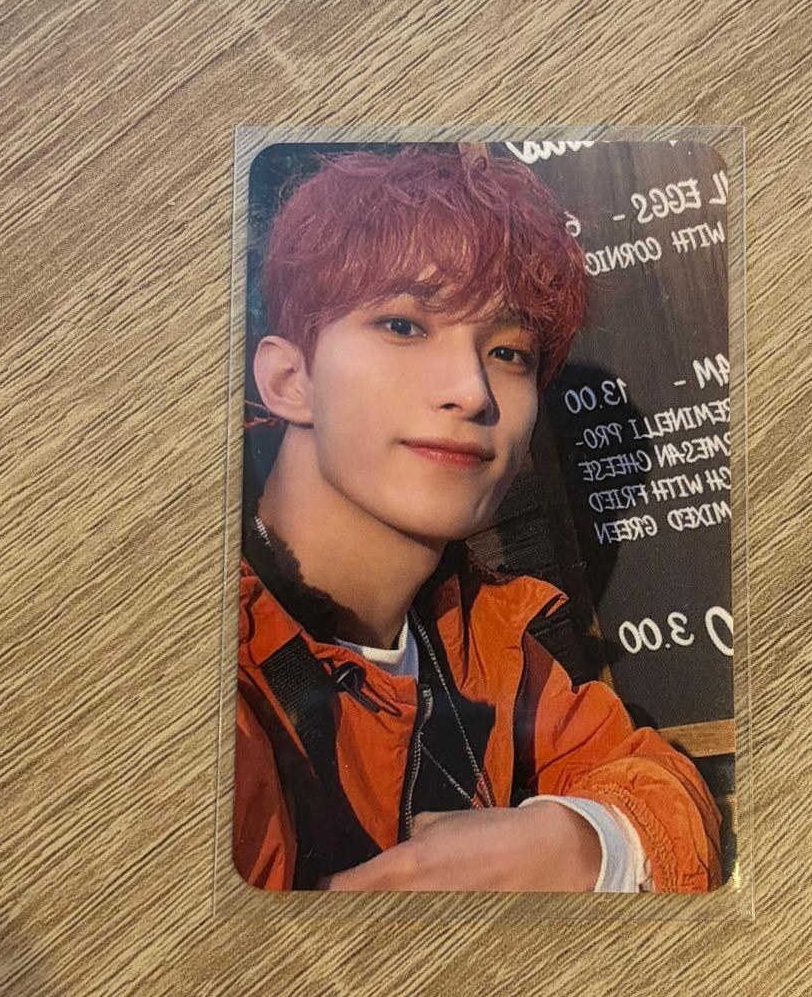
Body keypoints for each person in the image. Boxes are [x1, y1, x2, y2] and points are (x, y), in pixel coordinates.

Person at [233, 144, 722, 892]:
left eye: (508, 352)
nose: (471, 390)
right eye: (403, 325)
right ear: (289, 379)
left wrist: (588, 844)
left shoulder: (484, 638)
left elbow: (657, 782)